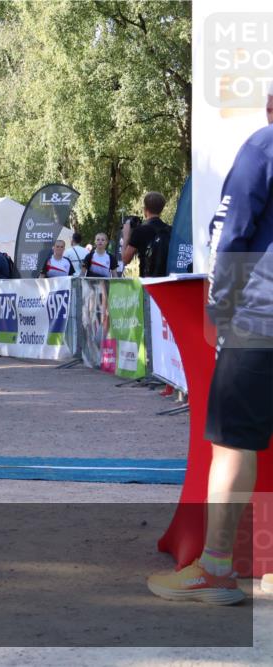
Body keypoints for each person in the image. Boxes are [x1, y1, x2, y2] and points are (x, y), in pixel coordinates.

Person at [147, 122, 273, 605]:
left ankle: (217, 567)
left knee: (232, 445)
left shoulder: (263, 146)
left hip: (258, 321)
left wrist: (219, 310)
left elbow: (232, 234)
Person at [123, 192, 171, 278]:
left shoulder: (140, 231)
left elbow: (125, 260)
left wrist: (126, 236)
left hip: (148, 282)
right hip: (166, 281)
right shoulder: (170, 230)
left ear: (145, 209)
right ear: (162, 209)